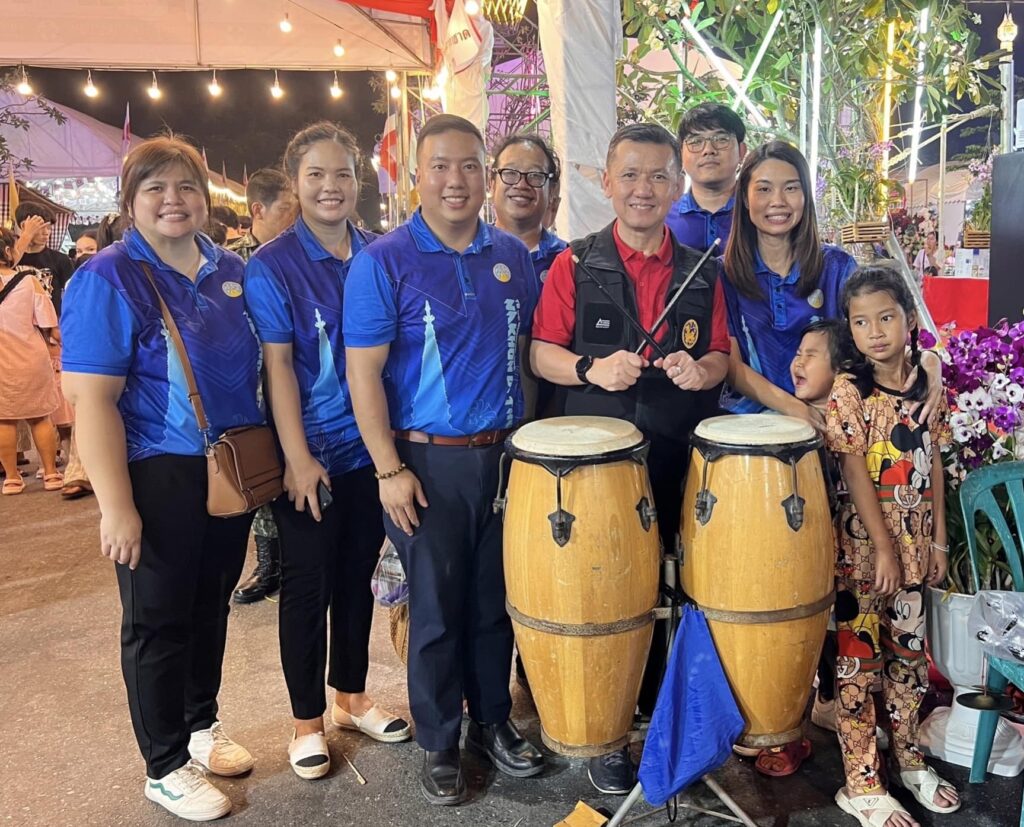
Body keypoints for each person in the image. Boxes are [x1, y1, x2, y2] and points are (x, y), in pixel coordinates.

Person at [61, 136, 264, 822]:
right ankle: (165, 764)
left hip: (229, 466)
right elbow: (91, 400)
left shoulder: (230, 268)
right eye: (156, 188)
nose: (173, 200)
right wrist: (115, 506)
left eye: (186, 187)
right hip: (155, 468)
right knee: (157, 618)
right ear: (130, 201)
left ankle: (200, 722)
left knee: (210, 603)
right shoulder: (109, 277)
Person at [345, 114, 545, 806]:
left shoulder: (511, 255)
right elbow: (363, 374)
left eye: (468, 166)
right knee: (434, 608)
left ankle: (492, 720)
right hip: (425, 465)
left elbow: (528, 356)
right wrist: (387, 468)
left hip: (505, 458)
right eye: (440, 166)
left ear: (486, 177)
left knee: (494, 601)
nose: (455, 180)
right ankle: (439, 738)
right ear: (415, 176)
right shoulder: (385, 261)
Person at [530, 122, 730, 794]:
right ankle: (611, 730)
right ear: (608, 184)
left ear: (677, 187)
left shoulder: (703, 268)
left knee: (682, 587)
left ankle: (673, 724)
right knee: (607, 588)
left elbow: (720, 354)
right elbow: (542, 353)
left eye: (658, 176)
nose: (644, 189)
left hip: (679, 453)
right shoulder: (575, 263)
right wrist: (590, 367)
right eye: (631, 175)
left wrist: (702, 371)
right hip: (597, 466)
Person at [245, 122, 410, 780]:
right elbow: (279, 366)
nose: (331, 186)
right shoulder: (273, 265)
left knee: (356, 577)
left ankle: (352, 697)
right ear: (295, 183)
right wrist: (297, 457)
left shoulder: (378, 252)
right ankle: (306, 722)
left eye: (342, 173)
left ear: (357, 179)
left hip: (371, 450)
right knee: (308, 587)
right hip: (311, 451)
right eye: (316, 174)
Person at [827, 265, 960, 827]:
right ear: (849, 329)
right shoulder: (849, 391)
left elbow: (935, 462)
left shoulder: (929, 385)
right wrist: (883, 549)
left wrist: (939, 542)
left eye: (886, 317)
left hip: (916, 552)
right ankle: (860, 781)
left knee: (909, 659)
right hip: (865, 555)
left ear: (908, 318)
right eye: (861, 322)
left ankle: (909, 760)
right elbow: (855, 472)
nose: (875, 332)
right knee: (858, 665)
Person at [720, 141, 859, 424]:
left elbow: (872, 339)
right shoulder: (723, 274)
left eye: (791, 188)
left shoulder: (838, 267)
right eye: (764, 189)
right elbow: (729, 364)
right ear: (744, 198)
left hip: (830, 421)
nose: (778, 201)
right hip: (747, 426)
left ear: (806, 195)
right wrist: (795, 409)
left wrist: (927, 359)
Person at [230, 167, 299, 604]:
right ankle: (267, 561)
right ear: (259, 209)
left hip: (293, 378)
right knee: (258, 475)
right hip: (249, 388)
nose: (296, 217)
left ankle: (292, 557)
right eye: (288, 209)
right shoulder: (232, 262)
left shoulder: (299, 256)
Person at [0, 229, 62, 495]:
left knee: (4, 421)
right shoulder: (29, 281)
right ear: (7, 251)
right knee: (40, 418)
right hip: (31, 359)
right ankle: (50, 473)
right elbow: (49, 323)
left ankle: (12, 478)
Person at [665, 103, 747, 253]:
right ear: (681, 155)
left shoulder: (759, 212)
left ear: (742, 151)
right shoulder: (662, 218)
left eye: (721, 139)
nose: (708, 150)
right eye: (696, 142)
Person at [490, 133, 567, 288]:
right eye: (510, 173)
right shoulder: (468, 257)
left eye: (535, 175)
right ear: (491, 185)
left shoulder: (569, 261)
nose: (521, 184)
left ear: (551, 191)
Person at [12, 203, 74, 318]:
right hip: (16, 322)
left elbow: (74, 294)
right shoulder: (9, 258)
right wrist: (26, 235)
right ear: (24, 226)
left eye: (49, 227)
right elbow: (9, 264)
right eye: (41, 227)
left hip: (51, 323)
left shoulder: (60, 259)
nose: (46, 232)